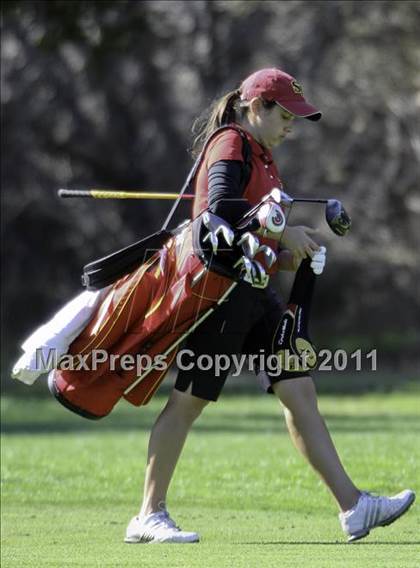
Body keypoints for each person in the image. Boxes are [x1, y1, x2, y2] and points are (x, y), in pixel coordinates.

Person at [124, 68, 415, 544]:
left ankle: (354, 507)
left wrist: (287, 253)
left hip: (254, 291)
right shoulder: (231, 144)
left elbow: (251, 235)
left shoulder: (263, 156)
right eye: (285, 116)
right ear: (256, 108)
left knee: (298, 390)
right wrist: (284, 232)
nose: (291, 127)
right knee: (188, 402)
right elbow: (217, 211)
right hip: (219, 295)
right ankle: (148, 515)